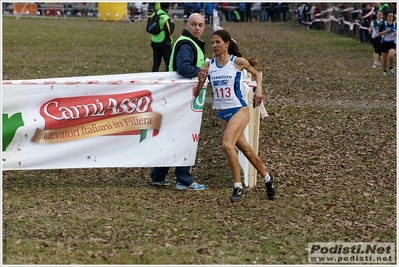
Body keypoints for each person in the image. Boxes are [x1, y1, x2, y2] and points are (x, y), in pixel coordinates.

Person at [193, 30, 276, 202]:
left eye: (218, 42)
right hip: (223, 113)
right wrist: (200, 80)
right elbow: (195, 94)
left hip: (239, 109)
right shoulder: (209, 65)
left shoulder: (237, 62)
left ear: (227, 43)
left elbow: (256, 74)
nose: (214, 46)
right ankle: (268, 178)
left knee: (227, 144)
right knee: (245, 150)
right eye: (212, 43)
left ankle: (237, 186)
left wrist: (259, 90)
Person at [150, 13, 206, 190]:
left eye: (201, 25)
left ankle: (158, 176)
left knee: (172, 136)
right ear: (187, 25)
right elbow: (183, 68)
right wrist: (203, 71)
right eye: (194, 24)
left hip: (176, 96)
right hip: (182, 98)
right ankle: (183, 179)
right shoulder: (187, 44)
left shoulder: (187, 42)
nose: (197, 28)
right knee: (184, 137)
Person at [150, 2, 175, 72]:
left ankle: (153, 78)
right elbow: (169, 31)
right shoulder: (165, 18)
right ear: (169, 7)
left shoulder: (154, 15)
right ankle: (168, 78)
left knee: (156, 64)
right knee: (169, 63)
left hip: (154, 42)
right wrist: (172, 23)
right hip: (164, 43)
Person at [378, 11, 396, 76]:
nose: (390, 17)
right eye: (389, 16)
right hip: (384, 43)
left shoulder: (395, 25)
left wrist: (396, 34)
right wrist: (385, 31)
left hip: (392, 43)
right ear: (386, 17)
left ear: (393, 17)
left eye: (391, 16)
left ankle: (391, 68)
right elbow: (379, 34)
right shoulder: (383, 24)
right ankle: (384, 70)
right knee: (385, 59)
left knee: (391, 56)